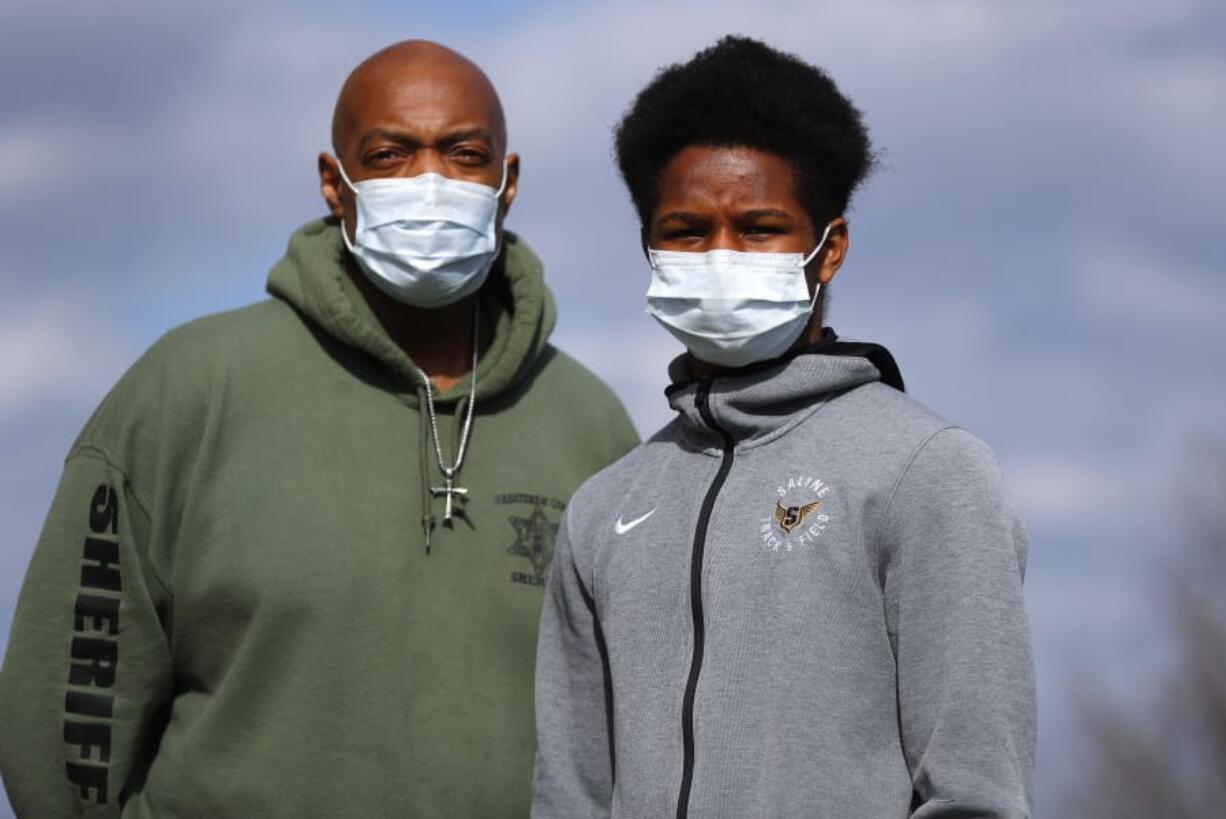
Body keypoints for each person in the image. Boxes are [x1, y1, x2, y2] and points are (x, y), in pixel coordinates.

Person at [0, 40, 637, 818]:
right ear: (335, 184)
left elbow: (630, 730)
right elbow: (69, 711)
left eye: (464, 153)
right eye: (390, 154)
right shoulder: (189, 391)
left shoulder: (592, 426)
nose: (429, 182)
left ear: (507, 184)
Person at [532, 36, 1035, 818]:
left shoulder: (927, 471)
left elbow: (976, 795)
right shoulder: (604, 510)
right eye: (688, 230)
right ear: (650, 250)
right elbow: (571, 796)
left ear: (827, 249)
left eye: (760, 227)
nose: (721, 253)